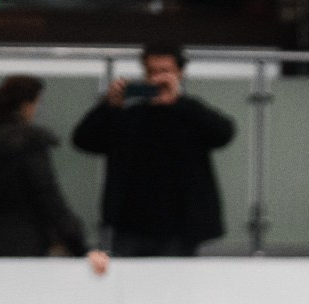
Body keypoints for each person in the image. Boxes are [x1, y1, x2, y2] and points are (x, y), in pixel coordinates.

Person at [72, 42, 236, 257]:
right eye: (151, 72)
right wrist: (109, 105)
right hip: (131, 224)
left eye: (165, 72)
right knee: (128, 286)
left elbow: (224, 133)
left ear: (180, 73)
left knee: (178, 285)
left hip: (181, 226)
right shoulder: (130, 116)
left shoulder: (189, 113)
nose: (157, 78)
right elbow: (83, 140)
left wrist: (177, 102)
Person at [0, 75, 109, 273]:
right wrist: (79, 245)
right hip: (24, 243)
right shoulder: (29, 144)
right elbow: (47, 196)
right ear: (27, 105)